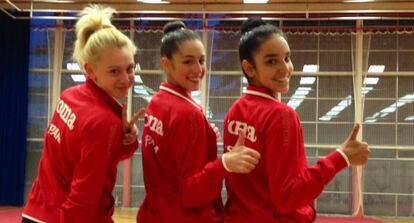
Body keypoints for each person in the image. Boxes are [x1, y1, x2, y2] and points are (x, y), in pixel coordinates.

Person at [222, 17, 371, 223]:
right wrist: (341, 157)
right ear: (249, 68)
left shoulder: (234, 111)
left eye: (287, 58)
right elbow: (287, 197)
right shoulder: (281, 114)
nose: (285, 69)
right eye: (271, 61)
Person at [22, 5, 144, 223]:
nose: (126, 79)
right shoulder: (102, 120)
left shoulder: (69, 96)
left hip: (35, 212)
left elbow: (87, 156)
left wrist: (126, 140)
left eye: (130, 68)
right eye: (114, 71)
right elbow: (83, 197)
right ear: (90, 70)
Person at [137, 21, 261, 223]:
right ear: (166, 64)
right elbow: (190, 193)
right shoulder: (186, 113)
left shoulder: (157, 102)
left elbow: (169, 157)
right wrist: (225, 163)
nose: (197, 69)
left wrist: (204, 135)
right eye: (188, 62)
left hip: (156, 213)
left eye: (201, 61)